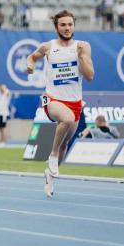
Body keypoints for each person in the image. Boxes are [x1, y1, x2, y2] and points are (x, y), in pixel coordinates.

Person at [26, 10, 94, 198]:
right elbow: (32, 57)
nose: (67, 28)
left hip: (74, 102)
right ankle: (52, 155)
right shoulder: (48, 47)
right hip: (52, 99)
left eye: (70, 24)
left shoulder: (83, 47)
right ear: (57, 27)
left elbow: (89, 76)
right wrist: (30, 65)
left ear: (74, 26)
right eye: (63, 25)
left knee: (66, 144)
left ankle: (50, 176)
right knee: (67, 118)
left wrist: (81, 57)